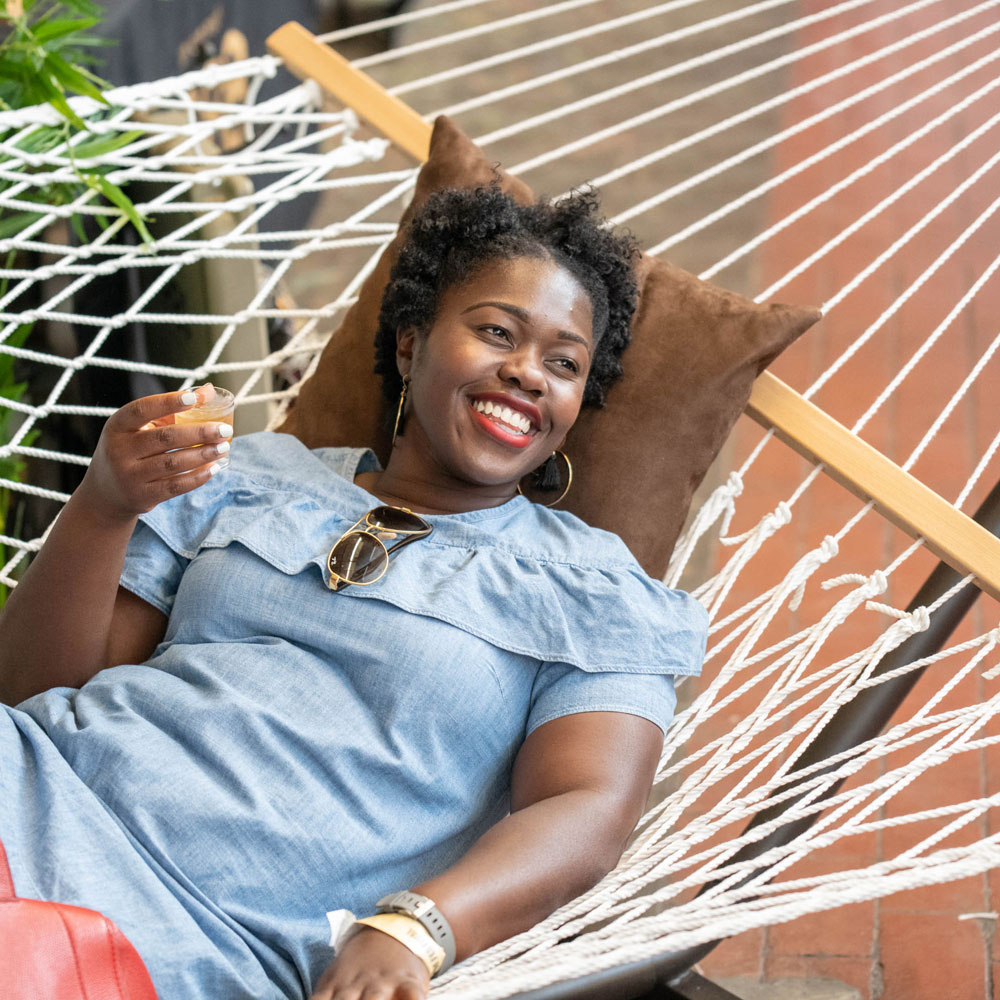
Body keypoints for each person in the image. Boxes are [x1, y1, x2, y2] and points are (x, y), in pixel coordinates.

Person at [0, 186, 707, 999]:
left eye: (564, 362)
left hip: (201, 930)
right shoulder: (254, 475)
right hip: (35, 784)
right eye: (496, 332)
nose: (525, 373)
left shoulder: (594, 591)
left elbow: (588, 809)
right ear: (410, 345)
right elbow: (32, 691)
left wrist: (417, 924)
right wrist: (104, 506)